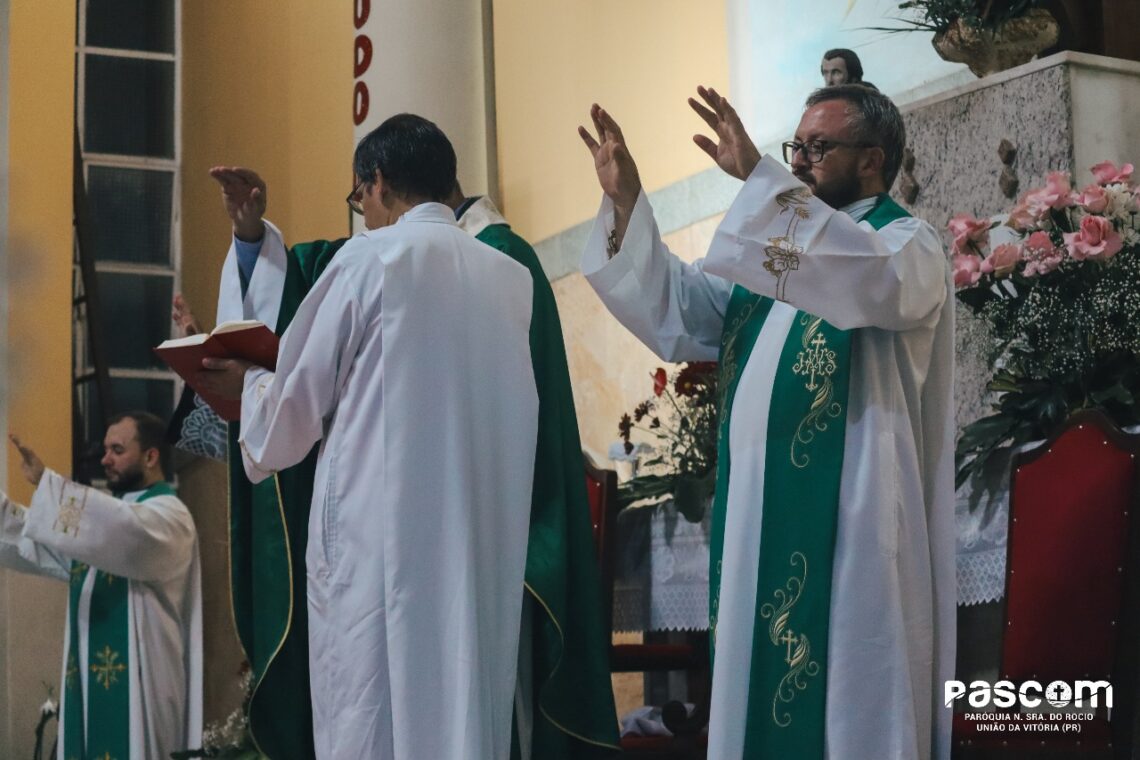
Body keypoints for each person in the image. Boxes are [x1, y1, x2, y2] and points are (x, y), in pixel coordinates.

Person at [577, 84, 955, 759]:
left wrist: (763, 179)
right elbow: (682, 310)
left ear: (872, 160)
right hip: (756, 520)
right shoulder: (776, 265)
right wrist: (629, 204)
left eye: (819, 148)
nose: (802, 162)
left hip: (853, 518)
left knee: (849, 687)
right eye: (796, 148)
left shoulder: (905, 244)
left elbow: (861, 279)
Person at [190, 169, 619, 758]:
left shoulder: (376, 259)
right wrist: (251, 240)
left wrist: (256, 387)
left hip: (377, 554)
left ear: (378, 185)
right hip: (471, 551)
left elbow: (286, 419)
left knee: (372, 721)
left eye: (358, 199)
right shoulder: (507, 274)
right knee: (461, 710)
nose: (360, 218)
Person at [0, 413, 202, 759]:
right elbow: (36, 541)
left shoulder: (170, 516)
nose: (105, 459)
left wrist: (48, 486)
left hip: (143, 688)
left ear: (151, 457)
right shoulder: (100, 528)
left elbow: (123, 530)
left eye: (117, 450)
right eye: (105, 449)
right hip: (89, 690)